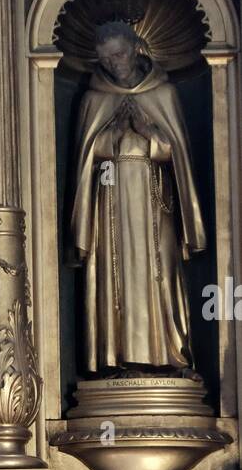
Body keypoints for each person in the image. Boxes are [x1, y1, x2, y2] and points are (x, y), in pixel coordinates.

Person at [70, 20, 206, 373]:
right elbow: (85, 158)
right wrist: (111, 134)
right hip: (110, 201)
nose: (114, 64)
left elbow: (178, 155)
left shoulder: (164, 94)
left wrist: (151, 133)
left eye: (118, 55)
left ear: (135, 49)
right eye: (106, 60)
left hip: (154, 200)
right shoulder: (94, 98)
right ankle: (114, 357)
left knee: (158, 270)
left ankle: (170, 355)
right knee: (114, 279)